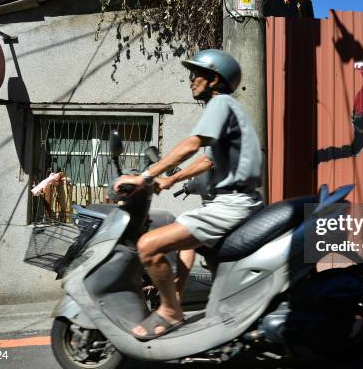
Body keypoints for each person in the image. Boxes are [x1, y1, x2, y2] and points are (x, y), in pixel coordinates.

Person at [113, 49, 263, 340]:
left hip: (232, 203)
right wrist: (169, 181)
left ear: (214, 79)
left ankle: (170, 310)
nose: (191, 80)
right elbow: (207, 159)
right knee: (185, 235)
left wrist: (145, 176)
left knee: (148, 246)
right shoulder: (228, 108)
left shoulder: (220, 104)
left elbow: (192, 145)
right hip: (231, 201)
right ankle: (176, 296)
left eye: (197, 74)